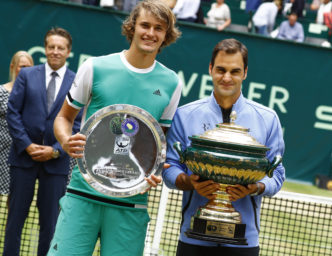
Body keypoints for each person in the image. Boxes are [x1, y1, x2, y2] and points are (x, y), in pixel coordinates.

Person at [47, 1, 182, 255]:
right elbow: (63, 118)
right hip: (82, 195)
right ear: (132, 27)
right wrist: (65, 141)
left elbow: (156, 144)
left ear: (166, 35)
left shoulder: (172, 83)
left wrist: (154, 169)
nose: (150, 33)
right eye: (145, 25)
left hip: (131, 205)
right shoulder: (95, 67)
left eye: (159, 28)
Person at [162, 38, 285, 256]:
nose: (227, 78)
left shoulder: (268, 118)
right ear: (210, 69)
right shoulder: (185, 114)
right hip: (193, 237)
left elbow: (277, 174)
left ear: (245, 73)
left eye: (235, 71)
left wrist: (255, 187)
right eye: (220, 70)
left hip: (244, 241)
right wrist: (189, 182)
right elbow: (170, 166)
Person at [3, 27, 82, 256]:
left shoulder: (77, 81)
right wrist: (26, 144)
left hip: (56, 164)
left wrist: (56, 150)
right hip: (22, 159)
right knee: (15, 220)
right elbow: (13, 112)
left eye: (61, 48)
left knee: (50, 224)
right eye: (51, 47)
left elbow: (77, 125)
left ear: (69, 52)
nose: (55, 51)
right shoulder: (27, 75)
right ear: (45, 49)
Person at [0, 51, 33, 208]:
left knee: (15, 201)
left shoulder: (36, 95)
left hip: (22, 155)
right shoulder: (1, 92)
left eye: (29, 67)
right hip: (2, 152)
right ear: (13, 67)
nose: (25, 70)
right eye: (22, 66)